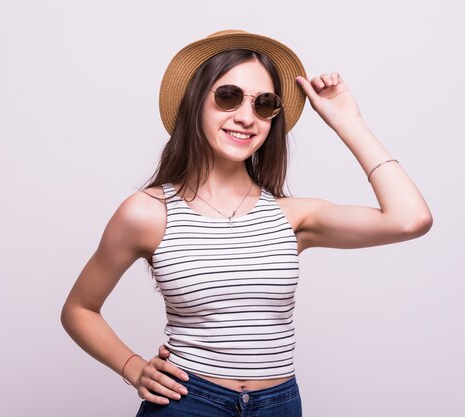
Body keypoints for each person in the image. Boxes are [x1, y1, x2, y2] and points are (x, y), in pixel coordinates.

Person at [60, 30, 432, 417]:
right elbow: (79, 308)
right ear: (195, 103)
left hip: (280, 405)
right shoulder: (147, 212)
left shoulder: (293, 217)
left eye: (264, 104)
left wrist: (348, 122)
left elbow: (411, 219)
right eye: (228, 96)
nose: (245, 117)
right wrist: (133, 367)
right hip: (189, 403)